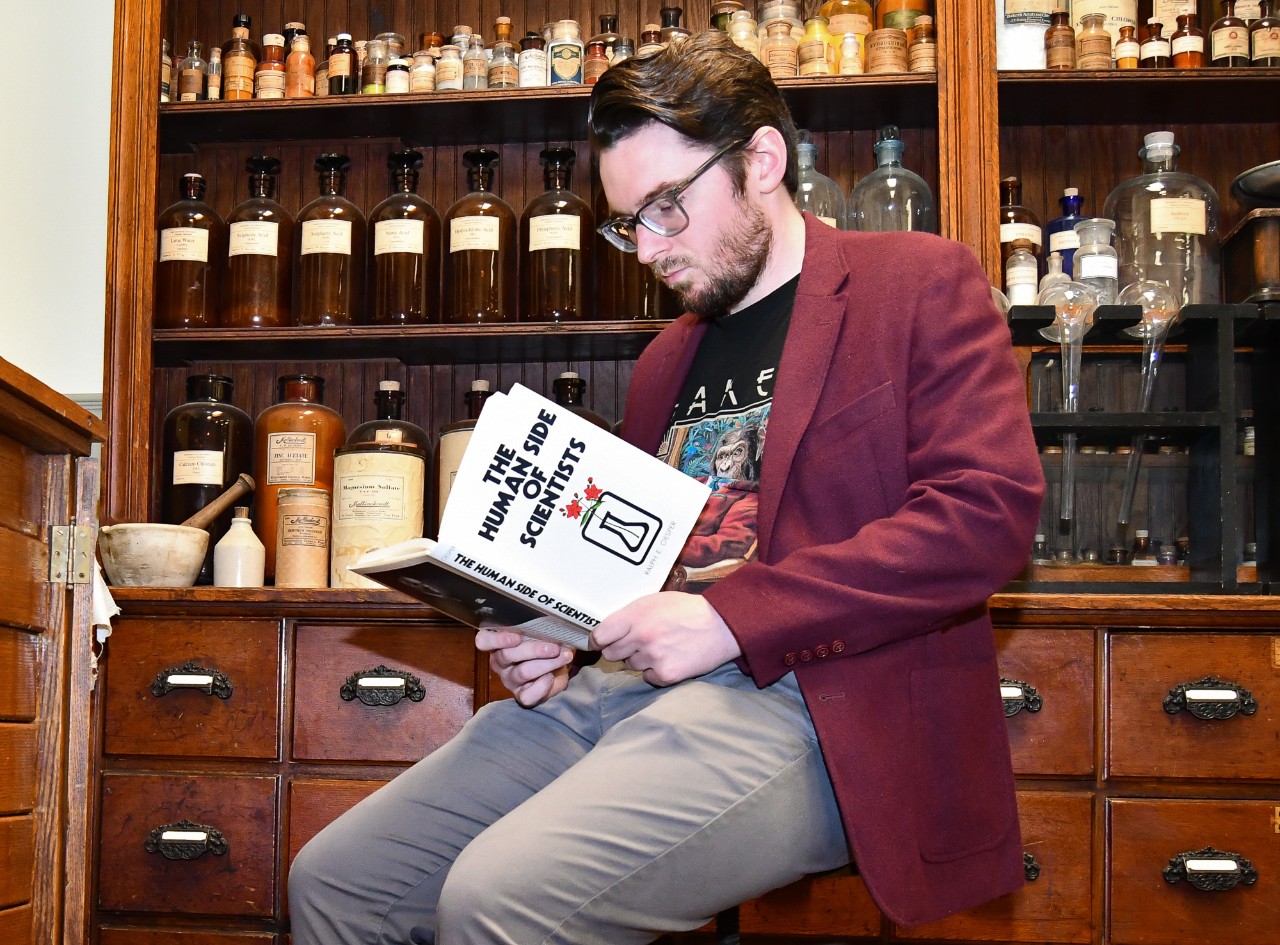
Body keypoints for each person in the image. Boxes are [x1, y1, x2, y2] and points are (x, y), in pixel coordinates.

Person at [288, 30, 1044, 944]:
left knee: (498, 897)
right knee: (338, 879)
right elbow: (638, 565)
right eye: (626, 223)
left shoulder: (916, 283)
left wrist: (730, 619)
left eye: (665, 209)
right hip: (625, 691)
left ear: (762, 161)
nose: (646, 249)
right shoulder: (663, 361)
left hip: (819, 701)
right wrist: (558, 636)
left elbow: (985, 514)